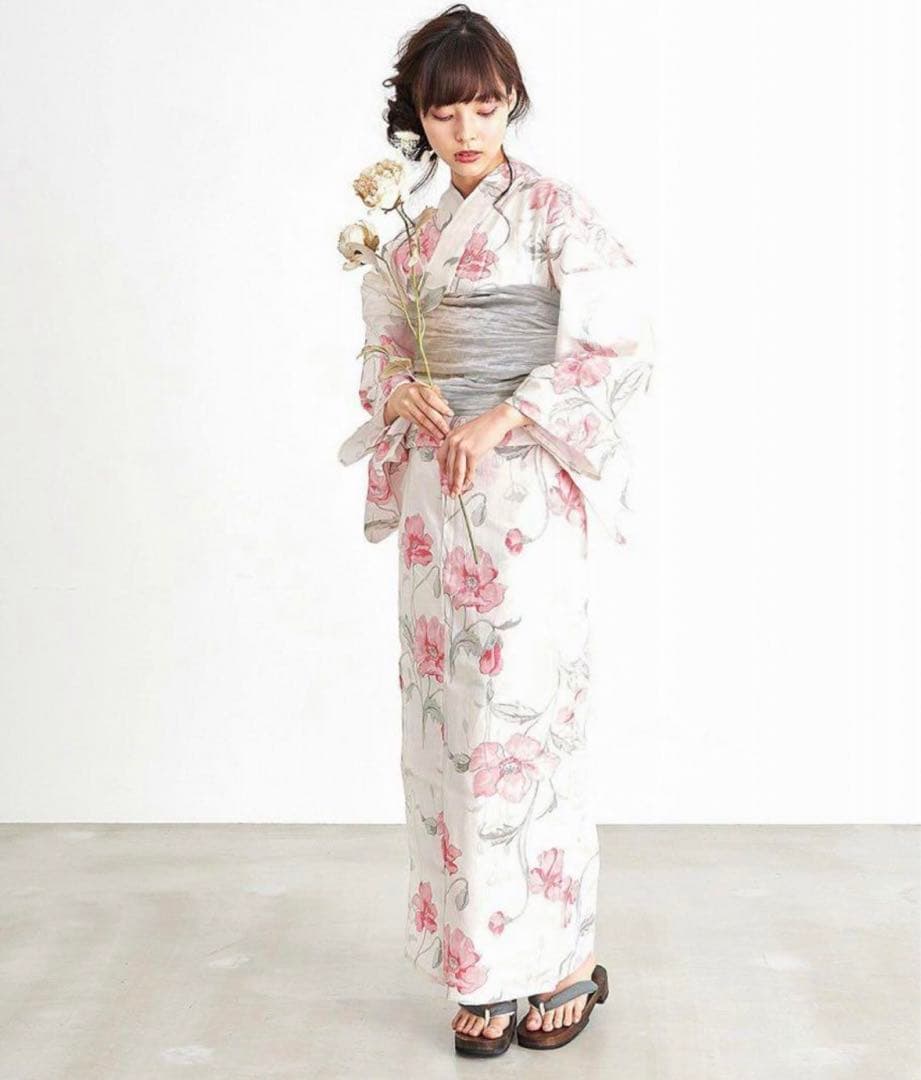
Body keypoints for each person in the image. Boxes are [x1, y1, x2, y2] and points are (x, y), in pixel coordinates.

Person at [337, 2, 655, 1055]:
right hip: (441, 497)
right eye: (444, 112)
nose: (466, 129)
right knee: (449, 726)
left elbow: (614, 342)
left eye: (483, 105)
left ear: (511, 101)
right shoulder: (412, 236)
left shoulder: (556, 213)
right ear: (416, 120)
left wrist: (507, 411)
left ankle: (560, 961)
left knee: (528, 720)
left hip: (527, 494)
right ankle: (479, 966)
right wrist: (402, 389)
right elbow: (382, 343)